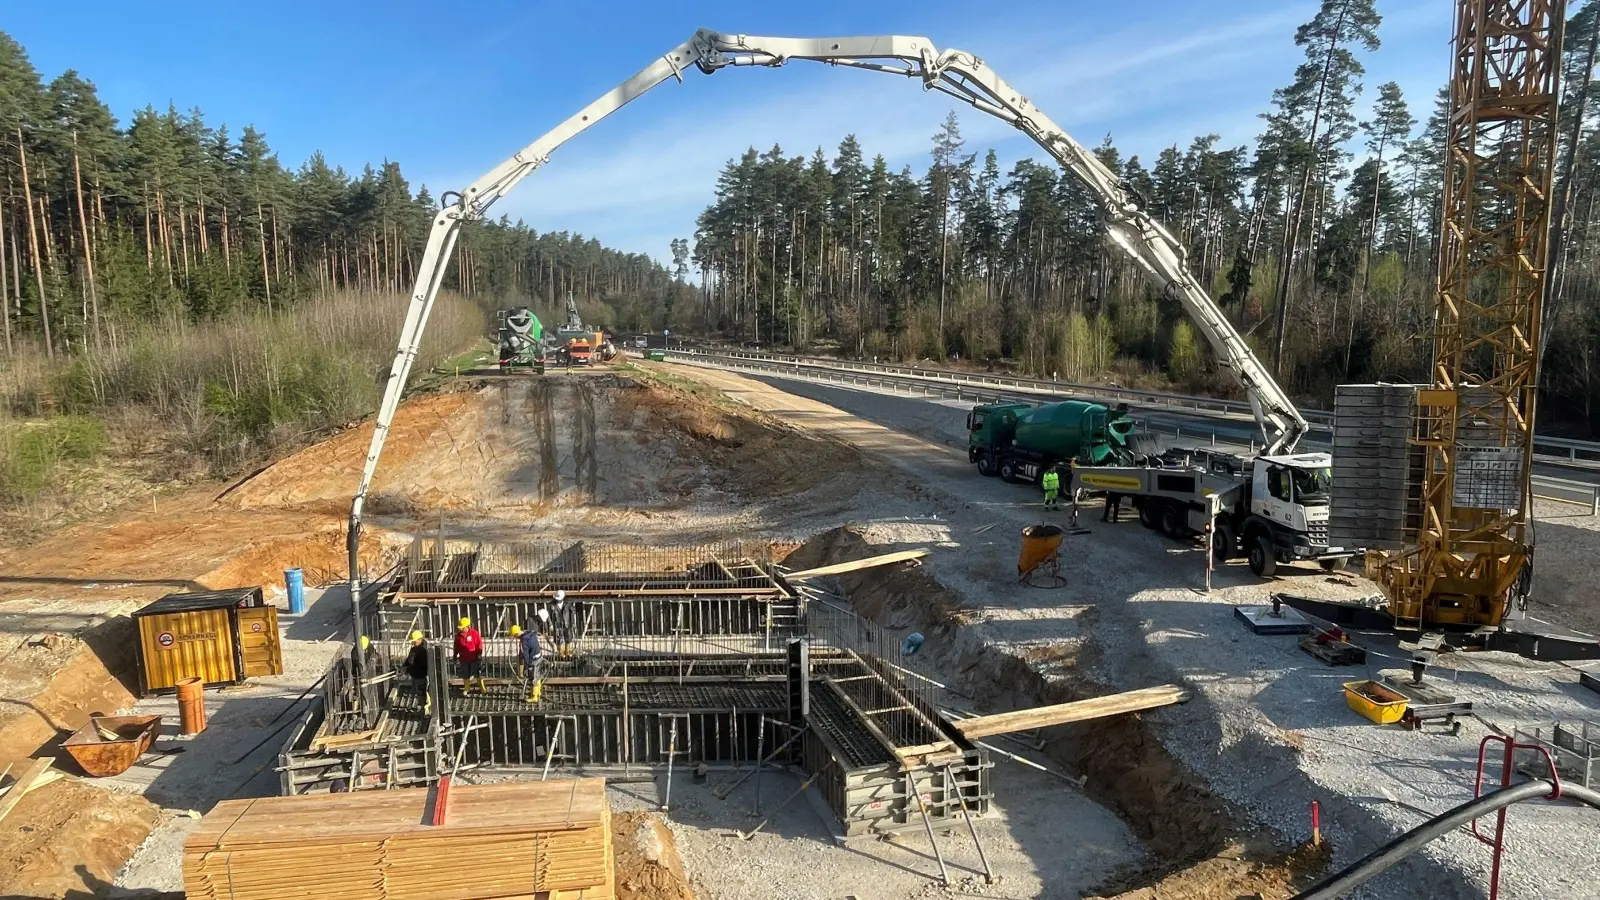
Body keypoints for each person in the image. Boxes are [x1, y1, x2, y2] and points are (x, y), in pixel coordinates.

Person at [454, 616, 485, 694]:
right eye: (460, 628)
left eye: (462, 627)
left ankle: (481, 687)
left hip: (474, 657)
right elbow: (456, 646)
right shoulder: (458, 636)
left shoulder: (474, 633)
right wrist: (455, 655)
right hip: (463, 658)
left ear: (468, 626)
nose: (461, 629)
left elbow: (479, 644)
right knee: (465, 673)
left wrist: (479, 654)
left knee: (477, 673)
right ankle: (467, 688)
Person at [514, 623, 544, 703]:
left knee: (533, 678)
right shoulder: (530, 634)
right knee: (537, 676)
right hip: (539, 656)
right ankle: (538, 692)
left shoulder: (524, 641)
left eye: (514, 636)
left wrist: (526, 667)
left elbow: (525, 655)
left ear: (516, 634)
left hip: (533, 660)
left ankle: (534, 696)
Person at [404, 630, 431, 714]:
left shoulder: (423, 651)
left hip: (420, 675)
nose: (413, 643)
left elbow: (420, 665)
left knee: (421, 692)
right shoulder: (413, 649)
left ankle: (424, 709)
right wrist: (404, 666)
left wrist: (408, 669)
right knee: (416, 692)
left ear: (419, 640)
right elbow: (409, 660)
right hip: (414, 675)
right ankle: (420, 707)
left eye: (414, 641)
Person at [552, 590, 573, 657]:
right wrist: (550, 624)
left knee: (568, 637)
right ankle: (561, 653)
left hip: (566, 623)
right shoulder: (552, 605)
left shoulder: (567, 604)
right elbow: (549, 616)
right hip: (557, 624)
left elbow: (571, 614)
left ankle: (568, 652)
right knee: (558, 638)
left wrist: (573, 623)